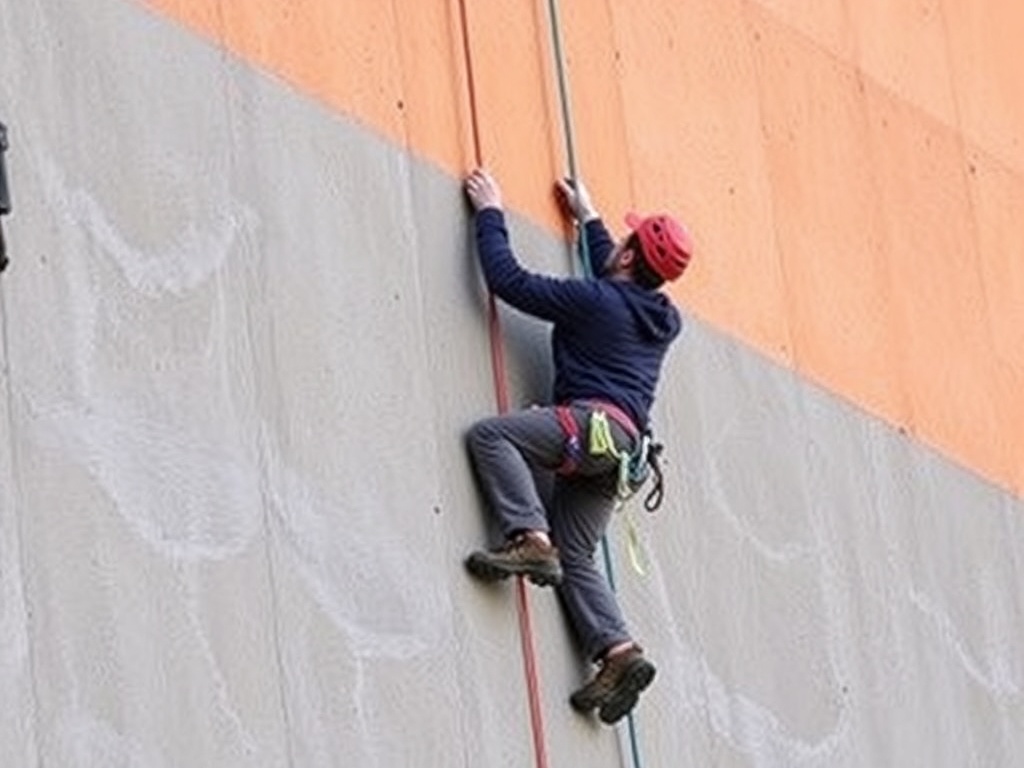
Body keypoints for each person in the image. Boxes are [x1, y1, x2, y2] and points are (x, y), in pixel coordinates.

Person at [462, 167, 693, 725]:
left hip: (592, 431)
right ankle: (618, 653)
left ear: (630, 257)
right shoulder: (659, 315)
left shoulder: (598, 302)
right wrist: (589, 216)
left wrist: (490, 212)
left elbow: (508, 281)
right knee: (579, 552)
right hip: (624, 455)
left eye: (625, 242)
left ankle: (529, 536)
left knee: (491, 437)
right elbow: (616, 276)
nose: (617, 245)